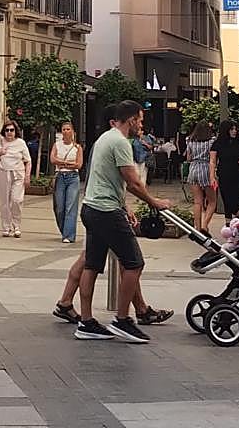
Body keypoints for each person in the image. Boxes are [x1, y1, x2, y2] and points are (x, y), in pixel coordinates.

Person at [73, 100, 171, 343]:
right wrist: (154, 202)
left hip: (92, 207)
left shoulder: (104, 139)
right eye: (139, 120)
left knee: (92, 265)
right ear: (130, 120)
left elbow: (107, 177)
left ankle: (86, 322)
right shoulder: (120, 142)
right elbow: (133, 181)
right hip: (106, 211)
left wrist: (124, 205)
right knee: (134, 263)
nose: (142, 124)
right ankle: (122, 319)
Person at [52, 251, 173, 327]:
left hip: (100, 214)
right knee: (128, 259)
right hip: (108, 215)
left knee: (89, 255)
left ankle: (66, 303)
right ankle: (137, 312)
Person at [0, 122, 31, 238]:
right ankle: (6, 227)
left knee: (17, 200)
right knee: (5, 203)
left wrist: (27, 176)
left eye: (11, 130)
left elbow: (28, 161)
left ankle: (16, 226)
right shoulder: (0, 143)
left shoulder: (21, 143)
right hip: (3, 172)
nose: (9, 133)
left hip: (18, 174)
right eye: (7, 130)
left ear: (15, 131)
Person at [211, 120, 239, 221]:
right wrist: (212, 176)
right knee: (227, 200)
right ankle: (228, 223)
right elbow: (212, 160)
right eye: (231, 129)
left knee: (238, 199)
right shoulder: (218, 143)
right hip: (224, 174)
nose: (234, 131)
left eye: (235, 129)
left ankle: (237, 222)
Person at [51, 122, 83, 244]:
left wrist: (62, 163)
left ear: (72, 132)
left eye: (68, 129)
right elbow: (53, 159)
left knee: (70, 207)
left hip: (73, 178)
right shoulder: (57, 145)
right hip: (60, 176)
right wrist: (69, 164)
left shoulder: (77, 147)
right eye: (63, 129)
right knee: (59, 207)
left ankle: (69, 235)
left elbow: (78, 164)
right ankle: (64, 229)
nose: (65, 131)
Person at [184, 122, 217, 234]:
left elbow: (188, 158)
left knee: (197, 201)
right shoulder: (212, 141)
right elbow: (213, 158)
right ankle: (204, 225)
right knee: (212, 201)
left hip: (193, 169)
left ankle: (197, 228)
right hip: (207, 169)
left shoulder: (190, 140)